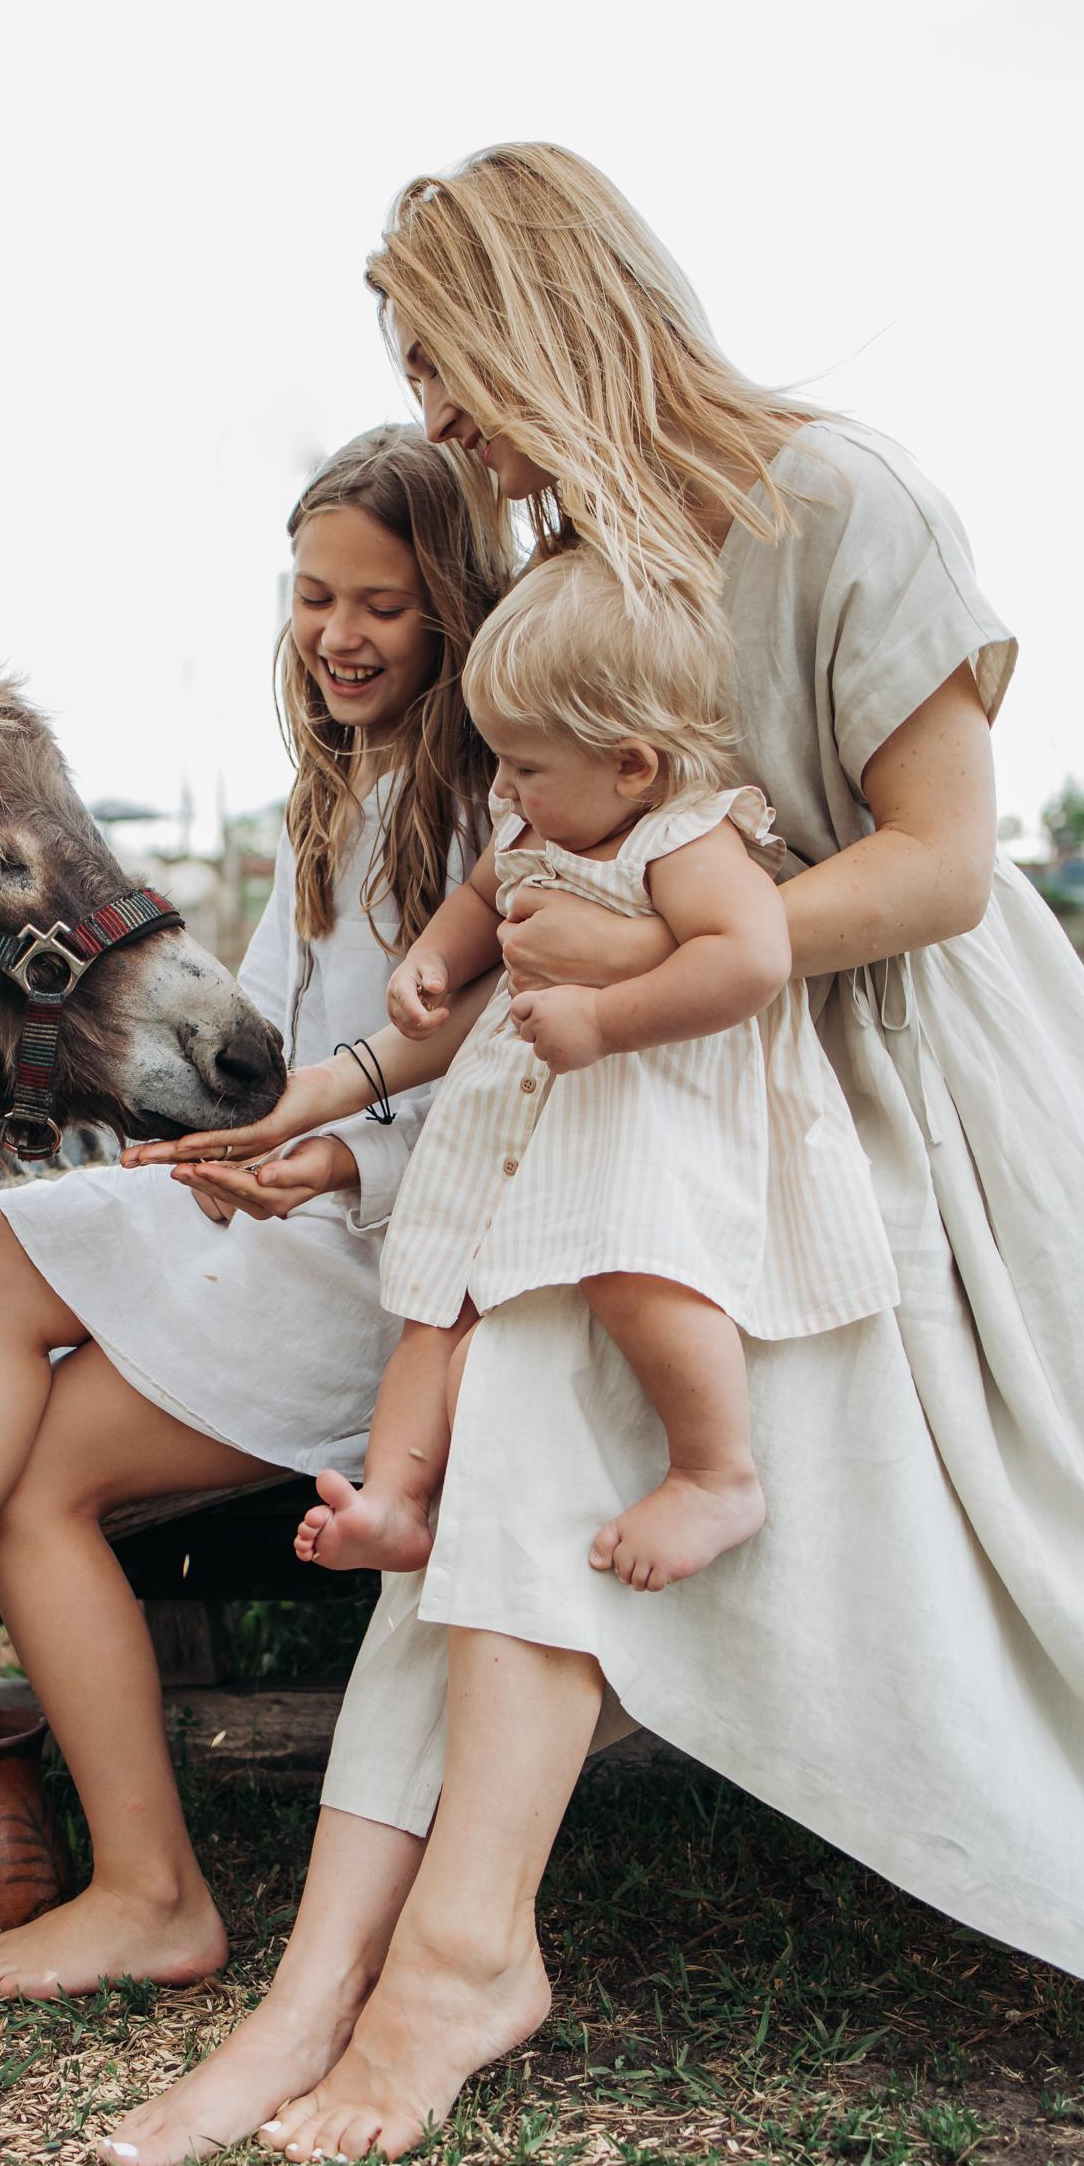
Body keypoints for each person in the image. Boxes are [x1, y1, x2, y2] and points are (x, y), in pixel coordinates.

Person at [105, 140, 1084, 2166]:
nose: (439, 419)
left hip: (897, 1074)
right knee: (519, 1356)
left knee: (544, 1370)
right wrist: (331, 1096)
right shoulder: (578, 575)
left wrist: (663, 964)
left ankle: (430, 1966)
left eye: (446, 362)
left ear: (545, 316)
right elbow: (514, 921)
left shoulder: (839, 499)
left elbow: (941, 866)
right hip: (658, 1085)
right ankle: (341, 1987)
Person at [0, 426, 513, 2018]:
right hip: (293, 1227)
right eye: (314, 595)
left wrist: (335, 1167)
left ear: (455, 613)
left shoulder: (501, 814)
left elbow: (514, 1096)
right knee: (1, 1273)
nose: (338, 634)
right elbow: (275, 1051)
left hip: (403, 1277)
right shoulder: (333, 797)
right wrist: (205, 1144)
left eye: (382, 605)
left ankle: (127, 1874)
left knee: (36, 1472)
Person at [296, 546, 896, 1594]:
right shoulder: (533, 816)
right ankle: (394, 1499)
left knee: (638, 1269)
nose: (502, 789)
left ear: (631, 765)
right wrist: (433, 961)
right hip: (517, 1106)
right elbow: (481, 899)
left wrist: (609, 1020)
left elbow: (751, 957)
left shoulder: (685, 837)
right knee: (437, 1296)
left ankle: (715, 1473)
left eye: (523, 766)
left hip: (641, 1102)